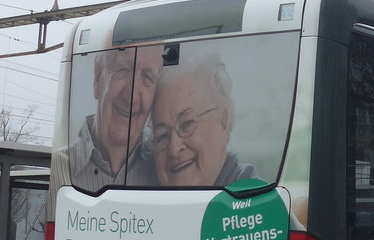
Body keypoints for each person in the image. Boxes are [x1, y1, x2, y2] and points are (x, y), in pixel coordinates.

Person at [49, 45, 162, 191]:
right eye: (123, 70)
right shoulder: (62, 165)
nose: (131, 97)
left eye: (148, 77)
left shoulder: (164, 171)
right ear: (97, 77)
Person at [149, 54, 258, 187]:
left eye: (187, 123)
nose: (174, 148)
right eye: (162, 136)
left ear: (223, 120)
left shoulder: (256, 203)